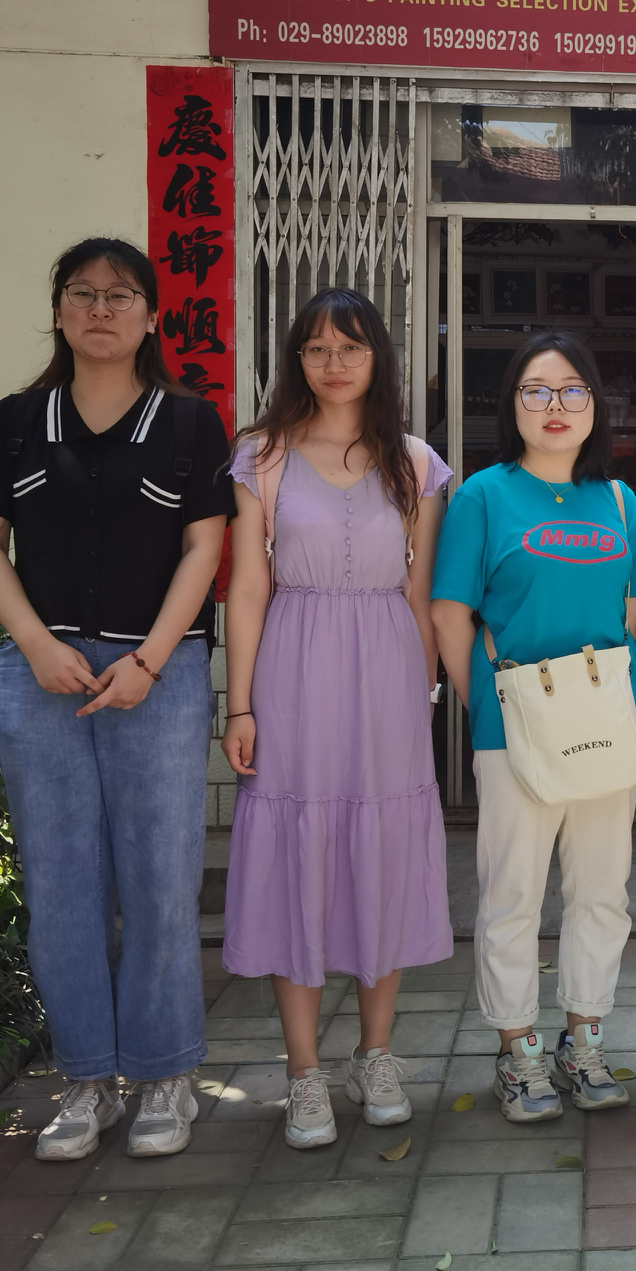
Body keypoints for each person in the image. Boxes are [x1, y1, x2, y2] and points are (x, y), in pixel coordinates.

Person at [0, 237, 233, 1161]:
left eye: (120, 296)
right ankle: (86, 1081)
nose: (101, 310)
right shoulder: (16, 421)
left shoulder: (190, 422)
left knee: (159, 879)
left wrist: (148, 660)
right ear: (59, 311)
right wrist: (36, 643)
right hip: (43, 677)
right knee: (60, 884)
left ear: (151, 316)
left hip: (159, 675)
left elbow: (204, 548)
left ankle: (163, 1074)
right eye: (83, 294)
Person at [220, 289, 451, 1150]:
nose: (334, 363)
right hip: (294, 667)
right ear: (298, 361)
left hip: (388, 672)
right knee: (298, 854)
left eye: (350, 347)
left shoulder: (416, 463)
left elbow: (421, 593)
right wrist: (240, 704)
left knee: (380, 850)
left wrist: (424, 694)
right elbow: (248, 589)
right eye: (316, 348)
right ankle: (304, 1071)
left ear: (377, 357)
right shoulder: (263, 455)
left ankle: (376, 1054)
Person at [432, 334, 636, 1123]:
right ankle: (518, 1051)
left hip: (604, 727)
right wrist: (487, 709)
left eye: (571, 391)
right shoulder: (482, 497)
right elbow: (450, 615)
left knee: (601, 892)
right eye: (535, 390)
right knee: (512, 894)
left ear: (595, 405)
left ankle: (583, 1041)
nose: (554, 406)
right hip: (513, 727)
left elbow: (630, 615)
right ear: (512, 406)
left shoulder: (620, 503)